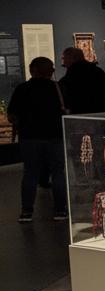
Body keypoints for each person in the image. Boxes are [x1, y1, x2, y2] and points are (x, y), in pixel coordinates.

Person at [6, 57, 67, 221]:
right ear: (50, 71)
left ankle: (26, 212)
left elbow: (12, 114)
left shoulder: (22, 89)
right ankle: (60, 210)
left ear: (32, 70)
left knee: (30, 173)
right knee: (58, 172)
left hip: (29, 137)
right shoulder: (58, 88)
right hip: (55, 136)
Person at [58, 46, 105, 113]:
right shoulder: (98, 71)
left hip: (79, 114)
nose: (63, 62)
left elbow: (66, 97)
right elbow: (104, 90)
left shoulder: (70, 76)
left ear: (72, 58)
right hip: (99, 112)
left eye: (64, 58)